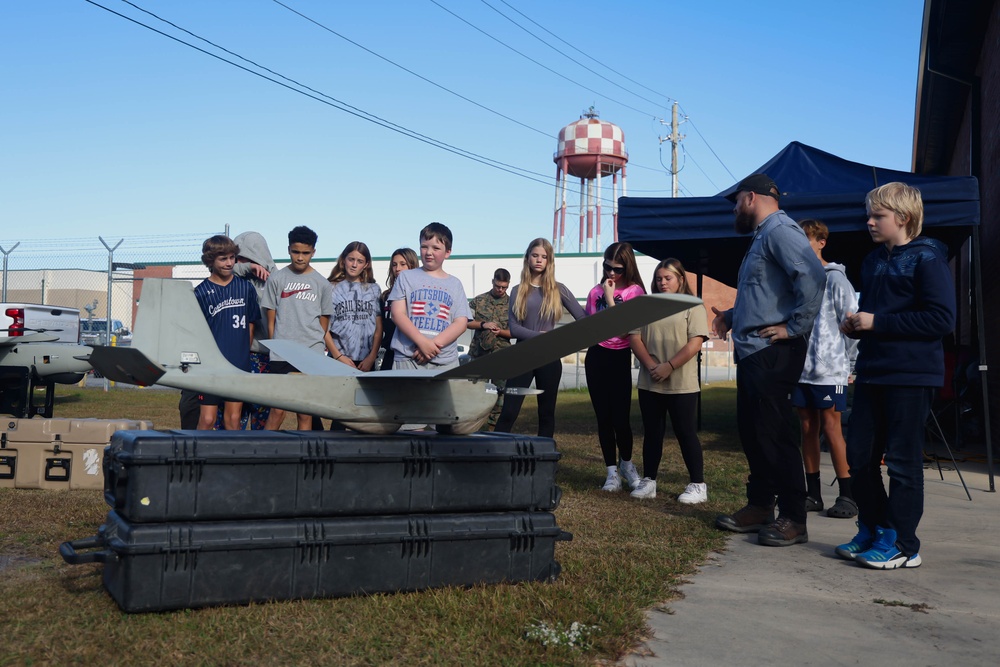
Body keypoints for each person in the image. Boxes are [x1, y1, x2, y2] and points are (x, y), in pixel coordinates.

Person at [835, 182, 955, 569]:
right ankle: (873, 528)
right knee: (860, 458)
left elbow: (941, 319)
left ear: (903, 218)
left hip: (911, 375)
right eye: (868, 214)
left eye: (877, 216)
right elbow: (873, 317)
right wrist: (855, 325)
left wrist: (878, 322)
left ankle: (904, 544)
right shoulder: (872, 261)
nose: (868, 222)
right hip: (872, 372)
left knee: (902, 463)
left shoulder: (928, 258)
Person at [712, 174, 825, 547]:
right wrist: (730, 315)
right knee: (754, 432)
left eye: (736, 201)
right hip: (754, 352)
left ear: (750, 197)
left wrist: (794, 327)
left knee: (775, 435)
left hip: (773, 353)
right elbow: (764, 295)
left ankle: (794, 517)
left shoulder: (780, 230)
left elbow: (813, 277)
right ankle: (760, 506)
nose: (734, 208)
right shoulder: (763, 235)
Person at [793, 220, 859, 518]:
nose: (800, 246)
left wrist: (852, 365)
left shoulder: (835, 279)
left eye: (806, 239)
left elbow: (851, 324)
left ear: (821, 242)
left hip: (831, 369)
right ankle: (813, 494)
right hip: (801, 370)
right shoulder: (795, 279)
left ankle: (847, 495)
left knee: (832, 428)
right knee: (807, 428)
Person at [628, 258, 709, 502]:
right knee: (652, 433)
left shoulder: (693, 306)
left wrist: (669, 366)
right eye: (659, 278)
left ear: (681, 279)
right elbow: (635, 338)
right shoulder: (645, 306)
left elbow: (695, 342)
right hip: (650, 381)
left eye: (668, 278)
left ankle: (698, 485)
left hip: (682, 384)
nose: (662, 282)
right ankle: (649, 481)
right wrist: (653, 366)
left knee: (686, 432)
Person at [494, 238, 585, 438]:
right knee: (509, 411)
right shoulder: (518, 290)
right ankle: (494, 454)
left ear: (549, 261)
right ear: (527, 258)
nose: (539, 260)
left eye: (544, 257)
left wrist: (560, 340)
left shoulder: (559, 289)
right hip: (522, 356)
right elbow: (514, 328)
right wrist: (539, 336)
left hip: (549, 357)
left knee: (546, 413)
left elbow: (583, 320)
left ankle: (545, 460)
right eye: (535, 255)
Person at [585, 242, 647, 492]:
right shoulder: (593, 292)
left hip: (620, 356)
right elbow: (593, 328)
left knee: (620, 418)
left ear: (628, 267)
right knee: (604, 417)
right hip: (597, 356)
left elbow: (625, 329)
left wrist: (610, 299)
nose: (611, 273)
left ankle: (627, 465)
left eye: (617, 269)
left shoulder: (636, 292)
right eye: (607, 267)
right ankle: (611, 471)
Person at [260, 225, 334, 430]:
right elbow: (271, 318)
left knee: (304, 410)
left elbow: (324, 321)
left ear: (313, 252)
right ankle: (263, 452)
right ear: (288, 250)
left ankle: (305, 457)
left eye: (305, 253)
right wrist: (276, 345)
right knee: (277, 410)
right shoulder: (277, 278)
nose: (300, 257)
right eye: (296, 252)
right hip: (282, 353)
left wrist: (314, 344)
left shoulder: (322, 284)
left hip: (310, 353)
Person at [192, 235, 261, 431]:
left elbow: (250, 324)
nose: (229, 263)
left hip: (238, 362)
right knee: (207, 419)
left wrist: (242, 352)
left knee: (233, 419)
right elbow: (197, 331)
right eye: (223, 259)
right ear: (210, 261)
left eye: (232, 258)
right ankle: (198, 459)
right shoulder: (200, 292)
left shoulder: (245, 287)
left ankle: (234, 459)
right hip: (210, 365)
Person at [387, 222, 470, 371]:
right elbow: (397, 314)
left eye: (436, 248)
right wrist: (422, 342)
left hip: (445, 361)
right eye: (424, 246)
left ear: (448, 252)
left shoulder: (455, 284)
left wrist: (432, 346)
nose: (428, 252)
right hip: (408, 359)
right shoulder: (406, 277)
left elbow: (460, 323)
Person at [233, 230, 277, 430]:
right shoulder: (236, 278)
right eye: (237, 259)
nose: (238, 262)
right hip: (240, 353)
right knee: (236, 412)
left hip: (264, 354)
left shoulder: (275, 279)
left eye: (244, 258)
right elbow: (220, 270)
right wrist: (247, 267)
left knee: (261, 411)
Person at [326, 241, 382, 371]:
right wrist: (338, 356)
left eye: (360, 261)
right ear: (343, 260)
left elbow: (378, 329)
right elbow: (324, 328)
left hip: (365, 361)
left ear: (366, 264)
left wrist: (372, 357)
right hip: (338, 358)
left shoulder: (373, 289)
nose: (354, 265)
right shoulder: (330, 288)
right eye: (351, 259)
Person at [467, 268, 512, 430]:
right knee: (478, 391)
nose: (500, 290)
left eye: (504, 287)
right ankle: (475, 424)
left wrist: (501, 332)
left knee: (500, 392)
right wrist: (483, 324)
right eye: (498, 286)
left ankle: (494, 426)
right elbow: (465, 321)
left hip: (502, 355)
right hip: (480, 355)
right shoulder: (479, 301)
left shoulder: (513, 304)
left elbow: (517, 330)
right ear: (492, 281)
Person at [379, 248, 419, 371]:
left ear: (412, 265)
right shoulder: (386, 296)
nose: (397, 269)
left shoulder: (419, 294)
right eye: (394, 265)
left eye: (403, 264)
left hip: (413, 353)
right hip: (390, 353)